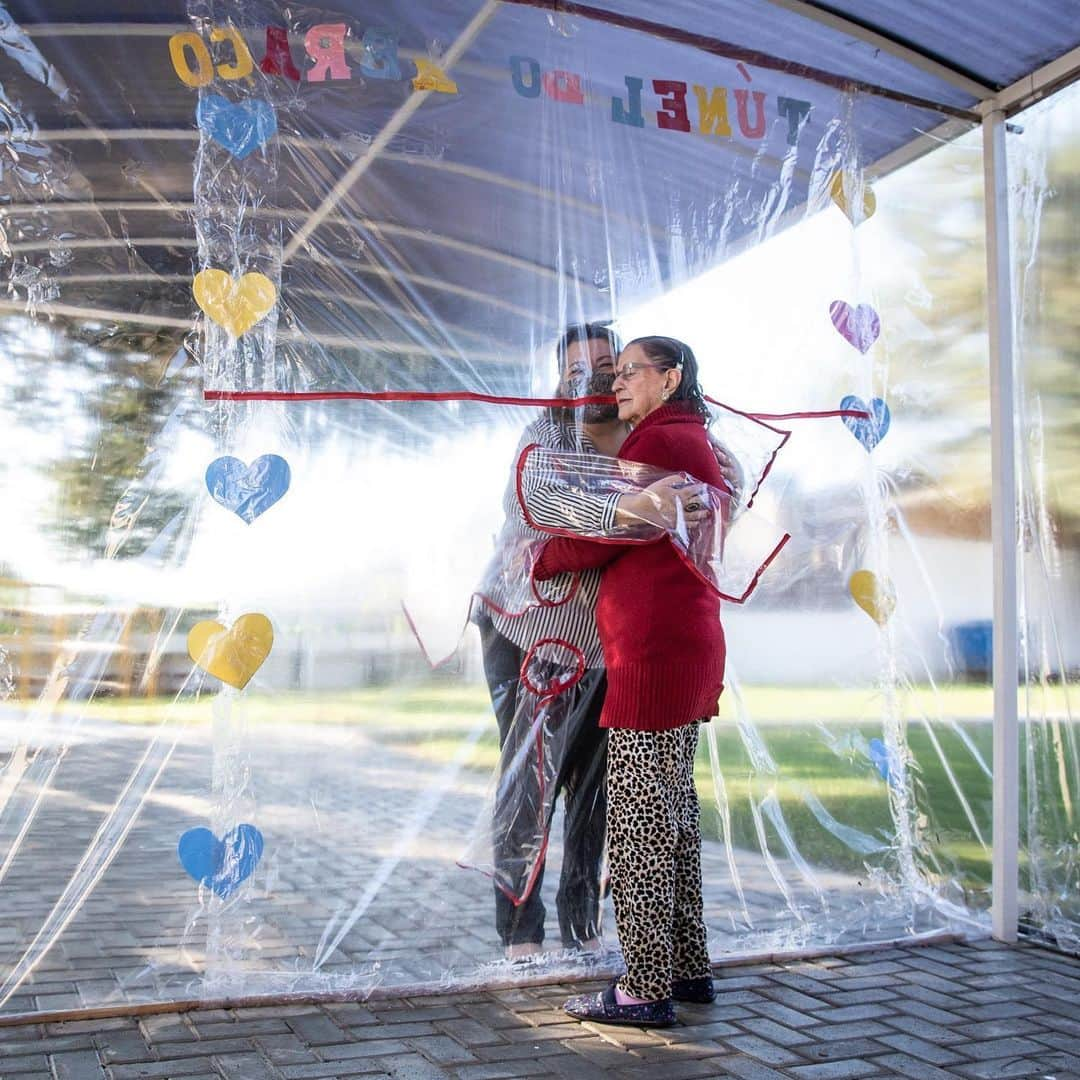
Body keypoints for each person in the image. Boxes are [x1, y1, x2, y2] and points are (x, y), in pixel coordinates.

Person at [531, 336, 726, 1027]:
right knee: (673, 814)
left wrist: (545, 554)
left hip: (652, 653)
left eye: (630, 371)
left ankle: (644, 988)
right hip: (681, 647)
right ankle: (686, 965)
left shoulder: (665, 441)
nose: (616, 382)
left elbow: (614, 528)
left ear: (671, 377)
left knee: (641, 824)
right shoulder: (685, 435)